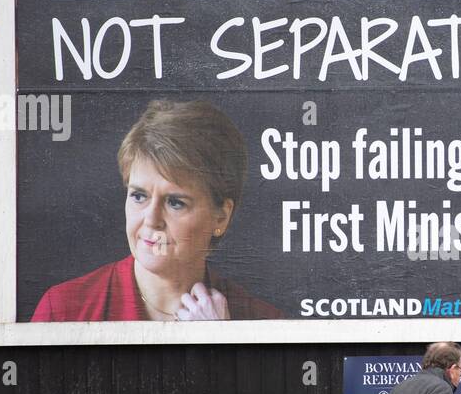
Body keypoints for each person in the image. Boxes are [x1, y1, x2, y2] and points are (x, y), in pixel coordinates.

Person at [31, 99, 283, 322]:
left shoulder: (262, 321)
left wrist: (220, 347)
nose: (151, 220)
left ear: (221, 216)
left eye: (175, 202)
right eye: (139, 196)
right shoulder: (63, 310)